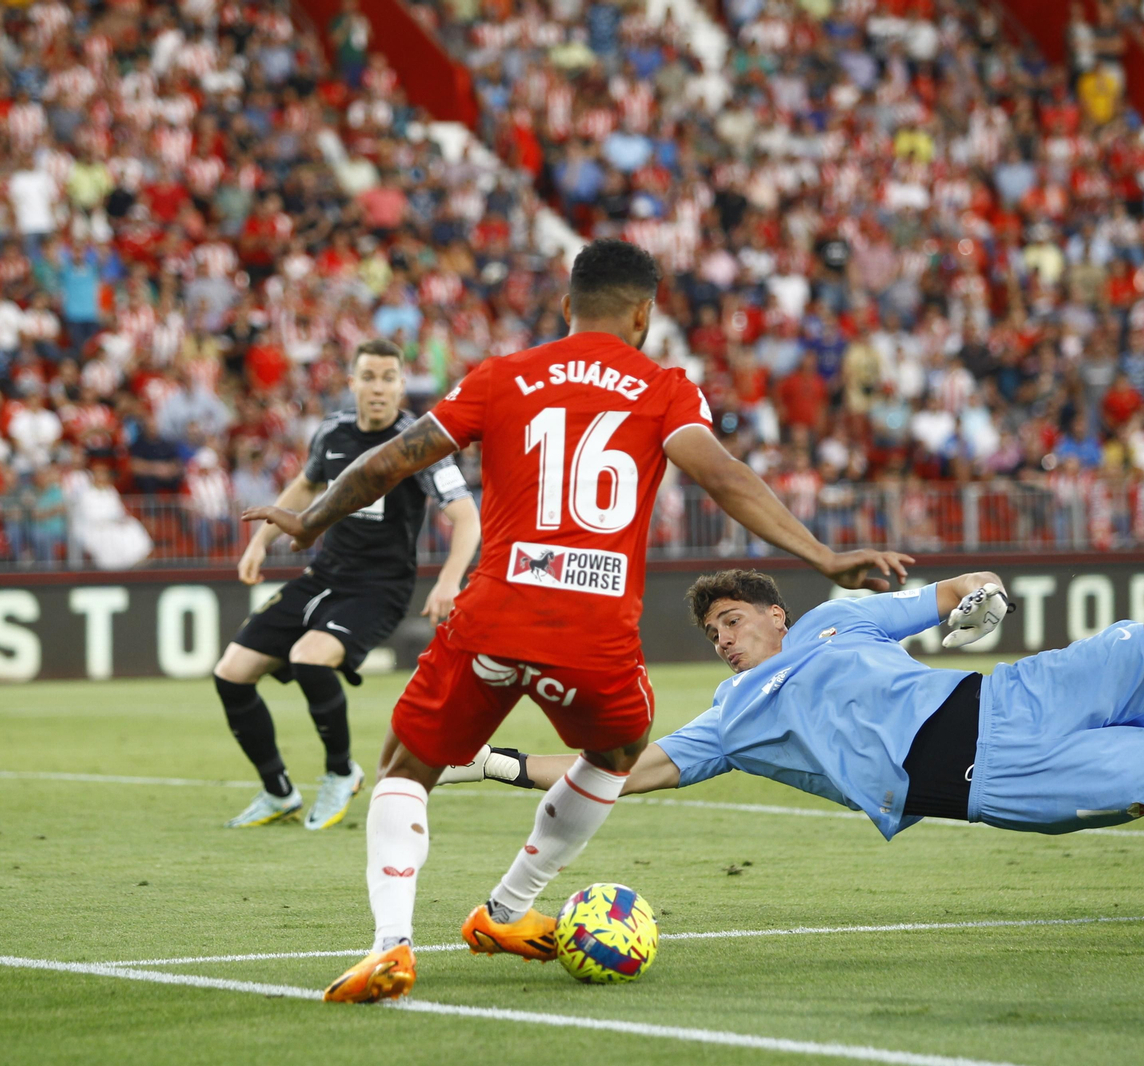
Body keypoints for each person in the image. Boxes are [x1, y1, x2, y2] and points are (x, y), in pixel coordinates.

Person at [242, 239, 914, 1003]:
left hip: (493, 615)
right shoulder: (664, 388)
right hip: (594, 631)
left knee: (407, 767)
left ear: (566, 307)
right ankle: (508, 907)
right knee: (620, 749)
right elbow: (721, 475)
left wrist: (307, 520)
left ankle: (392, 945)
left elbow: (391, 460)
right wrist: (822, 556)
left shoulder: (503, 375)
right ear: (644, 314)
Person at [443, 569, 1144, 850]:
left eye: (731, 622)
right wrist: (494, 761)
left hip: (1016, 691)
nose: (723, 641)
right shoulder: (733, 715)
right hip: (1000, 776)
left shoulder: (835, 618)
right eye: (710, 633)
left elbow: (957, 591)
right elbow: (624, 773)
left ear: (776, 614)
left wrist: (983, 603)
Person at [215, 338, 480, 833]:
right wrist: (260, 541)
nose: (377, 388)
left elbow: (466, 518)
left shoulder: (418, 441)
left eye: (388, 378)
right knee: (230, 673)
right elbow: (306, 485)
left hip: (379, 586)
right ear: (352, 383)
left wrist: (449, 581)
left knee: (309, 659)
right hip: (325, 574)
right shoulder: (332, 432)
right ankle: (278, 792)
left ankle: (341, 772)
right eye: (369, 377)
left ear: (402, 386)